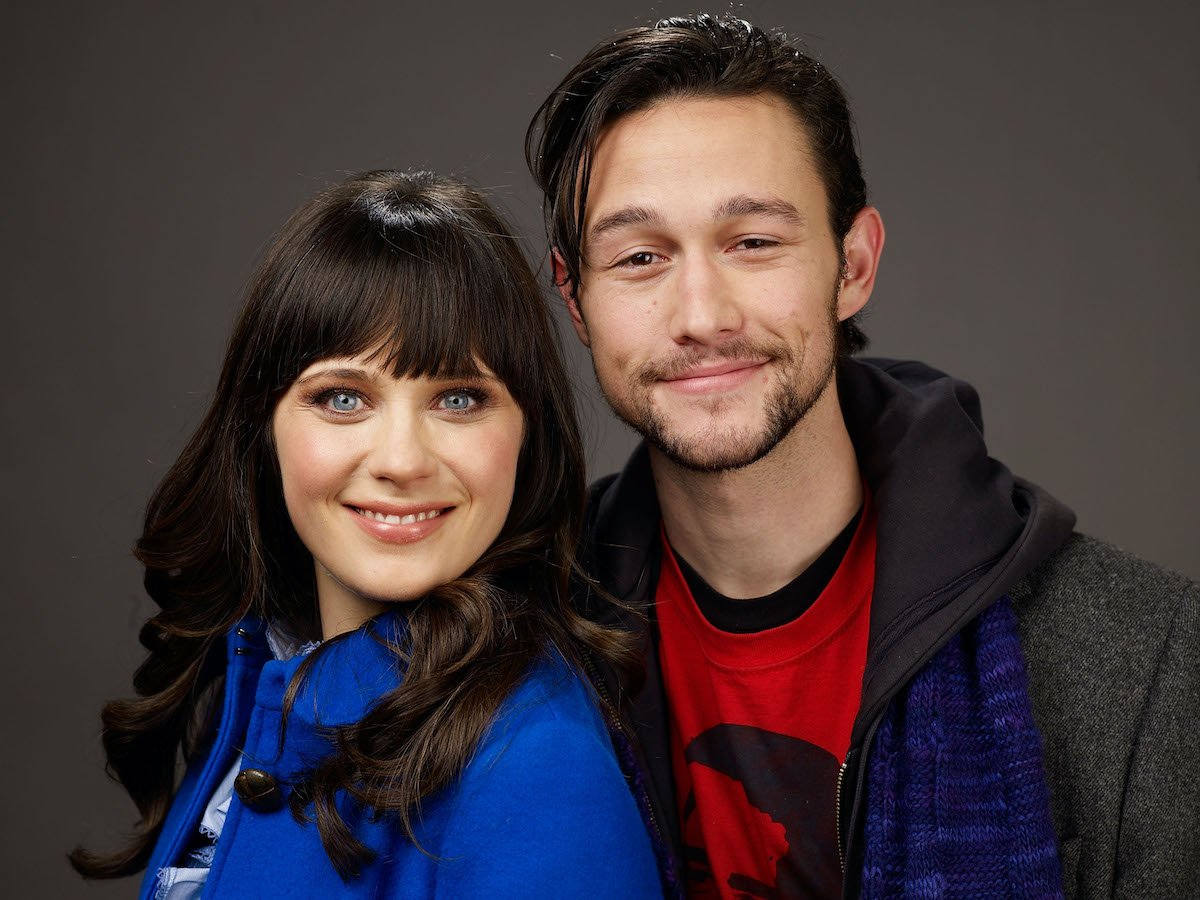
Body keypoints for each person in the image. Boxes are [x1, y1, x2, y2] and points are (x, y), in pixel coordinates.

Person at [526, 13, 1199, 899]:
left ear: (853, 264)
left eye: (754, 242)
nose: (702, 314)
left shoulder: (1148, 657)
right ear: (576, 301)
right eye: (640, 257)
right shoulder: (517, 638)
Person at [70, 171, 664, 898]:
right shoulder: (265, 678)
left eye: (458, 398)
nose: (401, 461)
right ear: (264, 428)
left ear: (527, 434)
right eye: (343, 398)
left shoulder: (539, 765)